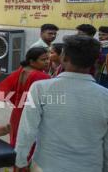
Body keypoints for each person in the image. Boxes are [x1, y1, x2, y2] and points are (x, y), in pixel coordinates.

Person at [15, 35, 108, 171]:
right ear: (94, 62)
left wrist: (20, 161)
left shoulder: (41, 88)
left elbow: (27, 130)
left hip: (46, 165)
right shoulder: (104, 96)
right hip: (90, 166)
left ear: (64, 58)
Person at [0, 47, 50, 167]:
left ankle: (16, 166)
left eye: (48, 58)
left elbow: (6, 86)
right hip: (31, 115)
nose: (48, 61)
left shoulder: (22, 70)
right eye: (43, 60)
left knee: (17, 142)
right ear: (32, 61)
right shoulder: (41, 77)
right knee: (30, 146)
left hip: (17, 113)